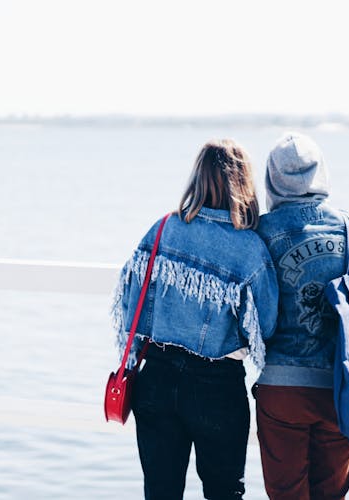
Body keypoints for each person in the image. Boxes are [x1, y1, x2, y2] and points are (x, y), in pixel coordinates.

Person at [111, 138, 279, 500]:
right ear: (243, 184)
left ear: (197, 179)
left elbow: (129, 304)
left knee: (160, 492)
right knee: (224, 493)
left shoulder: (161, 230)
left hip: (154, 377)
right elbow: (265, 329)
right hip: (216, 385)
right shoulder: (250, 250)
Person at [254, 132, 349, 500]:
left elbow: (256, 312)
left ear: (271, 179)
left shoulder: (261, 231)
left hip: (281, 387)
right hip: (338, 388)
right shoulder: (346, 228)